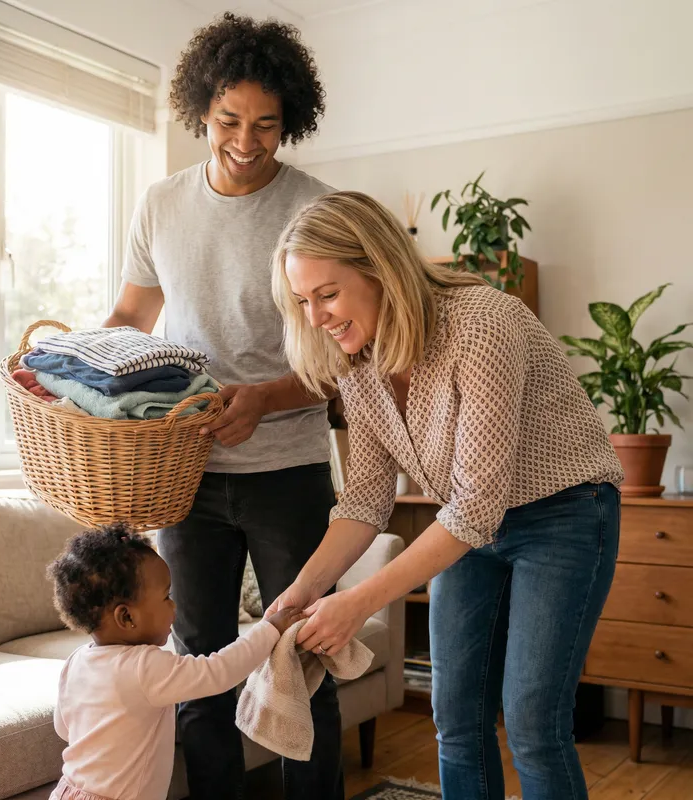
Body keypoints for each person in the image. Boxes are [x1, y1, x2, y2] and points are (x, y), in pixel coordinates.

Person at [267, 191, 624, 800]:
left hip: (562, 514)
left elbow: (477, 506)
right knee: (454, 717)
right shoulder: (357, 359)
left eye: (327, 294)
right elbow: (367, 499)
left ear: (380, 269)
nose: (316, 316)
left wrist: (356, 604)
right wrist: (303, 590)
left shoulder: (483, 323)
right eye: (302, 301)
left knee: (534, 725)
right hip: (462, 528)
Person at [101, 13, 342, 800]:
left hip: (289, 469)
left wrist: (266, 399)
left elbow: (344, 356)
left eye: (267, 126)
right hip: (186, 475)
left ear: (290, 122)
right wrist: (76, 369)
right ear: (201, 109)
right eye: (229, 121)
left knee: (303, 658)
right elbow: (131, 321)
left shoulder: (316, 210)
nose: (246, 140)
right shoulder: (161, 204)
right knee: (196, 666)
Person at [46, 523, 303, 800]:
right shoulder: (145, 666)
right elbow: (219, 671)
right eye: (166, 596)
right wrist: (270, 629)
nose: (174, 605)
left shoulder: (75, 661)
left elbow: (63, 727)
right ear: (127, 618)